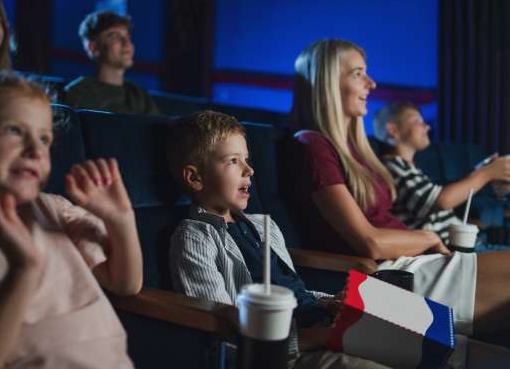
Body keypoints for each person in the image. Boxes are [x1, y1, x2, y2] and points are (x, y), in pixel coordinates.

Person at [165, 110, 508, 369]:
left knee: (448, 337)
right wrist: (319, 335)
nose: (249, 170)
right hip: (294, 347)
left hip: (322, 319)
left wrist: (331, 302)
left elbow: (295, 291)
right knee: (415, 354)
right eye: (233, 161)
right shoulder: (195, 239)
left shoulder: (261, 224)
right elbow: (225, 325)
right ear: (194, 177)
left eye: (248, 160)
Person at [0, 71, 142, 368]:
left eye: (44, 138)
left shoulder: (54, 210)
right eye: (14, 131)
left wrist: (120, 219)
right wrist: (22, 270)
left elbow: (126, 283)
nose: (35, 150)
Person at [288, 38, 510, 348]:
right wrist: (430, 238)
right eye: (358, 74)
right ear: (326, 82)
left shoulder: (353, 150)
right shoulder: (312, 145)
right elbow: (370, 242)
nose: (372, 82)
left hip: (409, 261)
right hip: (388, 274)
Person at [372, 101, 510, 244]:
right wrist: (488, 173)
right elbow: (441, 201)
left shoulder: (408, 168)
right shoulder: (393, 167)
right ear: (394, 130)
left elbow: (441, 195)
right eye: (417, 121)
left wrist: (479, 171)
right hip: (447, 248)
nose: (427, 126)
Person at [63, 10, 162, 115]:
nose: (126, 43)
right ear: (94, 48)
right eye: (115, 36)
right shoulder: (80, 92)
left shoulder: (137, 93)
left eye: (128, 37)